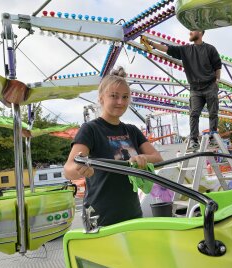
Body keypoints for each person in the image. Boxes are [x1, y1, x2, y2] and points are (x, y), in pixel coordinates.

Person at [64, 67, 163, 226]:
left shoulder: (132, 130)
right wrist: (80, 167)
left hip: (132, 213)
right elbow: (68, 168)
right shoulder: (90, 129)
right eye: (114, 96)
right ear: (101, 98)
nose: (120, 102)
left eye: (125, 97)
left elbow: (157, 158)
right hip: (100, 217)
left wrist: (143, 158)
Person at [143, 31, 222, 150]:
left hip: (210, 85)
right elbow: (167, 49)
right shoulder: (186, 50)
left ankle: (213, 137)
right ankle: (194, 140)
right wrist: (150, 42)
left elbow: (217, 65)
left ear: (200, 32)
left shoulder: (210, 49)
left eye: (192, 30)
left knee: (213, 113)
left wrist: (217, 81)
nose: (190, 32)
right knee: (194, 113)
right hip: (195, 88)